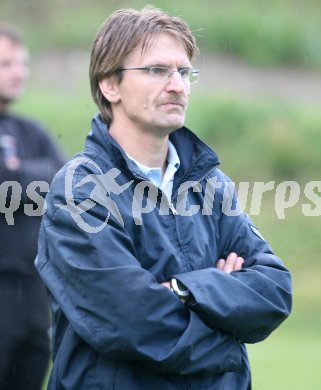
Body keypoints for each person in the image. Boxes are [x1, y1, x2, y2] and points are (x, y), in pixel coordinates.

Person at [35, 7, 292, 390]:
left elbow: (274, 290)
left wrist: (185, 289)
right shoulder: (81, 191)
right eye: (156, 71)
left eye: (184, 72)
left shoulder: (210, 184)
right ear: (110, 85)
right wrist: (230, 338)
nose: (177, 85)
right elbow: (134, 323)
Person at [0, 24, 65, 390]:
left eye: (22, 63)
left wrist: (16, 174)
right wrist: (33, 176)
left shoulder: (32, 131)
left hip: (34, 295)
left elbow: (68, 184)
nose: (19, 71)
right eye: (6, 63)